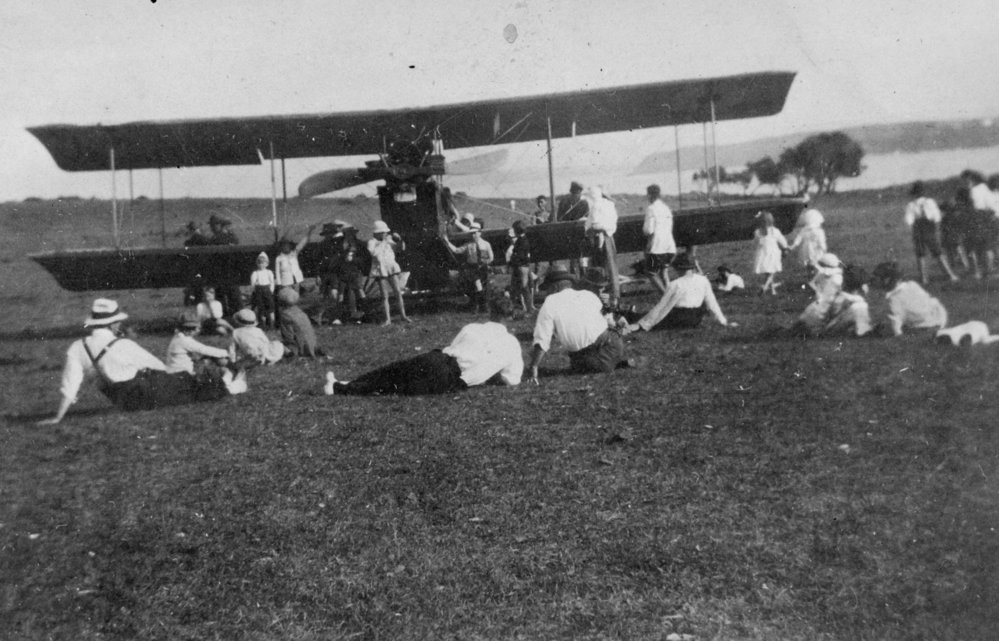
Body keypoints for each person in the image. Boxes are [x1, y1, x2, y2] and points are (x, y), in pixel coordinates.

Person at [37, 299, 245, 424]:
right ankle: (229, 386)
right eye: (118, 322)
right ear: (112, 324)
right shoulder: (123, 344)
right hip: (145, 390)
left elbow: (70, 385)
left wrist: (58, 417)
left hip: (123, 402)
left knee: (182, 387)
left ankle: (225, 383)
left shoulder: (77, 347)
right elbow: (157, 365)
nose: (120, 324)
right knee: (186, 386)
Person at [323, 295, 523, 396]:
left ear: (490, 313)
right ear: (510, 317)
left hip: (441, 359)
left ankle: (346, 384)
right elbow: (512, 379)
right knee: (396, 387)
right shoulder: (511, 344)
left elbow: (453, 347)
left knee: (393, 372)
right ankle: (343, 387)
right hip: (452, 377)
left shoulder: (472, 328)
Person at [527, 268, 638, 382]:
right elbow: (606, 320)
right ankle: (614, 363)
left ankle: (608, 364)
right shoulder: (587, 295)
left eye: (547, 289)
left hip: (585, 357)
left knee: (583, 365)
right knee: (593, 361)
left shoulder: (549, 303)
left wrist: (534, 366)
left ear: (554, 287)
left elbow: (542, 340)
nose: (547, 292)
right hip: (613, 346)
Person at [623, 253, 734, 332]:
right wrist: (723, 321)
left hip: (678, 319)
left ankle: (623, 314)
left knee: (639, 317)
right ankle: (626, 313)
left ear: (678, 268)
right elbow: (712, 303)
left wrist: (642, 325)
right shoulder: (703, 280)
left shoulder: (675, 284)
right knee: (646, 316)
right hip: (696, 319)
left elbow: (662, 307)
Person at [873, 261, 948, 336]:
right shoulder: (912, 284)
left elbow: (895, 322)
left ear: (887, 280)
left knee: (882, 329)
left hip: (924, 326)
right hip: (940, 317)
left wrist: (897, 334)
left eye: (878, 279)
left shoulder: (893, 300)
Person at [904, 181, 958, 284]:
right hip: (928, 229)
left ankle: (925, 278)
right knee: (937, 252)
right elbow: (937, 216)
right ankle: (950, 275)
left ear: (914, 193)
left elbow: (909, 220)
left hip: (919, 229)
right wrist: (933, 221)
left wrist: (916, 223)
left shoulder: (912, 205)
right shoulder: (929, 202)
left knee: (921, 254)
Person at [367, 220, 411, 325]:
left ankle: (403, 315)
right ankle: (388, 319)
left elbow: (400, 248)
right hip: (381, 269)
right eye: (383, 232)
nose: (385, 234)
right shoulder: (372, 242)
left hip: (391, 267)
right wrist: (383, 242)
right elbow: (374, 254)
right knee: (384, 296)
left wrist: (399, 240)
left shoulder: (388, 241)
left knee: (397, 291)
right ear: (377, 233)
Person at [446, 221, 495, 312]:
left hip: (483, 268)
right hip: (473, 269)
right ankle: (481, 306)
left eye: (475, 233)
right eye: (472, 234)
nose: (473, 236)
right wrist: (447, 242)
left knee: (481, 286)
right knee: (477, 285)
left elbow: (491, 257)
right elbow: (457, 250)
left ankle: (479, 305)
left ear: (480, 233)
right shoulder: (469, 245)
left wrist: (486, 262)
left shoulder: (486, 244)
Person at [164, 310, 232, 375]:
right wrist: (228, 353)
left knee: (208, 359)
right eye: (197, 328)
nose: (198, 330)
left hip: (174, 371)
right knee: (216, 361)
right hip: (181, 373)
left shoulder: (177, 337)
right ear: (190, 329)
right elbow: (205, 349)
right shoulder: (184, 341)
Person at [961, 169, 997, 278]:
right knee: (980, 246)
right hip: (979, 218)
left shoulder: (976, 190)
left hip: (978, 218)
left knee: (979, 246)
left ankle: (983, 271)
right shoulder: (981, 188)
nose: (965, 182)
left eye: (966, 179)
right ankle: (983, 271)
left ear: (971, 178)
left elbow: (980, 205)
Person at [642, 183, 676, 293]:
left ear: (650, 195)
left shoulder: (651, 209)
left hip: (656, 248)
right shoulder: (666, 208)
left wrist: (648, 246)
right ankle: (670, 295)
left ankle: (665, 296)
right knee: (664, 272)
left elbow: (649, 230)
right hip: (669, 246)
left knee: (650, 273)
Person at [207, 213, 242, 315]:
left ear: (219, 225)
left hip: (221, 273)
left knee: (221, 294)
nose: (211, 228)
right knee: (232, 294)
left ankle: (223, 314)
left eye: (213, 225)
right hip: (231, 272)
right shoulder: (231, 237)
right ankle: (236, 313)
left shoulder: (215, 239)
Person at [276, 287, 326, 358]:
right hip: (312, 344)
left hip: (300, 348)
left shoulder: (285, 315)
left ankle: (292, 354)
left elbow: (288, 336)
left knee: (275, 344)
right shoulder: (300, 312)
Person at [752, 210, 788, 295]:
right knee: (771, 272)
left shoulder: (757, 232)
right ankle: (765, 287)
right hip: (773, 253)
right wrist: (785, 247)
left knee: (768, 272)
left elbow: (755, 243)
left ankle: (773, 291)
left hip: (762, 253)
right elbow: (782, 241)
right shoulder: (775, 231)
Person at [275, 225, 316, 295]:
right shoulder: (279, 258)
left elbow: (303, 242)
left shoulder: (294, 253)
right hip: (285, 282)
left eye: (287, 245)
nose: (286, 247)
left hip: (296, 280)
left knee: (296, 297)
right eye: (284, 245)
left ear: (290, 246)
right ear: (281, 247)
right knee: (288, 298)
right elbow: (277, 272)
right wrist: (279, 283)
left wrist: (310, 231)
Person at [787, 208, 828, 277]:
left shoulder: (804, 229)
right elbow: (821, 242)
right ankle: (815, 276)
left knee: (809, 264)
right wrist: (824, 249)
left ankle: (810, 275)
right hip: (815, 250)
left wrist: (793, 246)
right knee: (816, 263)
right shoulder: (819, 231)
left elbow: (798, 239)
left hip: (806, 250)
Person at [506, 220, 535, 312]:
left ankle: (528, 308)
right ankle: (526, 307)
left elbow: (519, 256)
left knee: (523, 287)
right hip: (523, 266)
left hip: (520, 266)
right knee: (522, 287)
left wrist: (512, 262)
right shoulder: (523, 240)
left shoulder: (521, 241)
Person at [249, 251, 276, 329]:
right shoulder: (255, 273)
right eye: (259, 263)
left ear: (267, 264)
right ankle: (263, 325)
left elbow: (272, 282)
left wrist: (271, 290)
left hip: (267, 291)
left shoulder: (269, 272)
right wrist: (255, 291)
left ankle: (272, 325)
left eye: (263, 263)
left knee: (270, 308)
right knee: (261, 308)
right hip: (259, 291)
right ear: (257, 263)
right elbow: (253, 284)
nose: (261, 264)